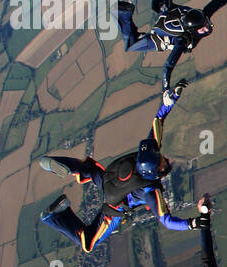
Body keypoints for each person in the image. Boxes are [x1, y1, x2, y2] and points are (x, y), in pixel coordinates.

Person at [37, 83, 198, 252]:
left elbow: (158, 120)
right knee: (88, 243)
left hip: (109, 179)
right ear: (153, 172)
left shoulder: (148, 153)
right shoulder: (150, 191)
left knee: (90, 169)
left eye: (161, 160)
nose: (165, 159)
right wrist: (191, 224)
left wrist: (169, 102)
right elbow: (167, 221)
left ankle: (72, 167)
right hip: (114, 205)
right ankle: (52, 217)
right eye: (161, 163)